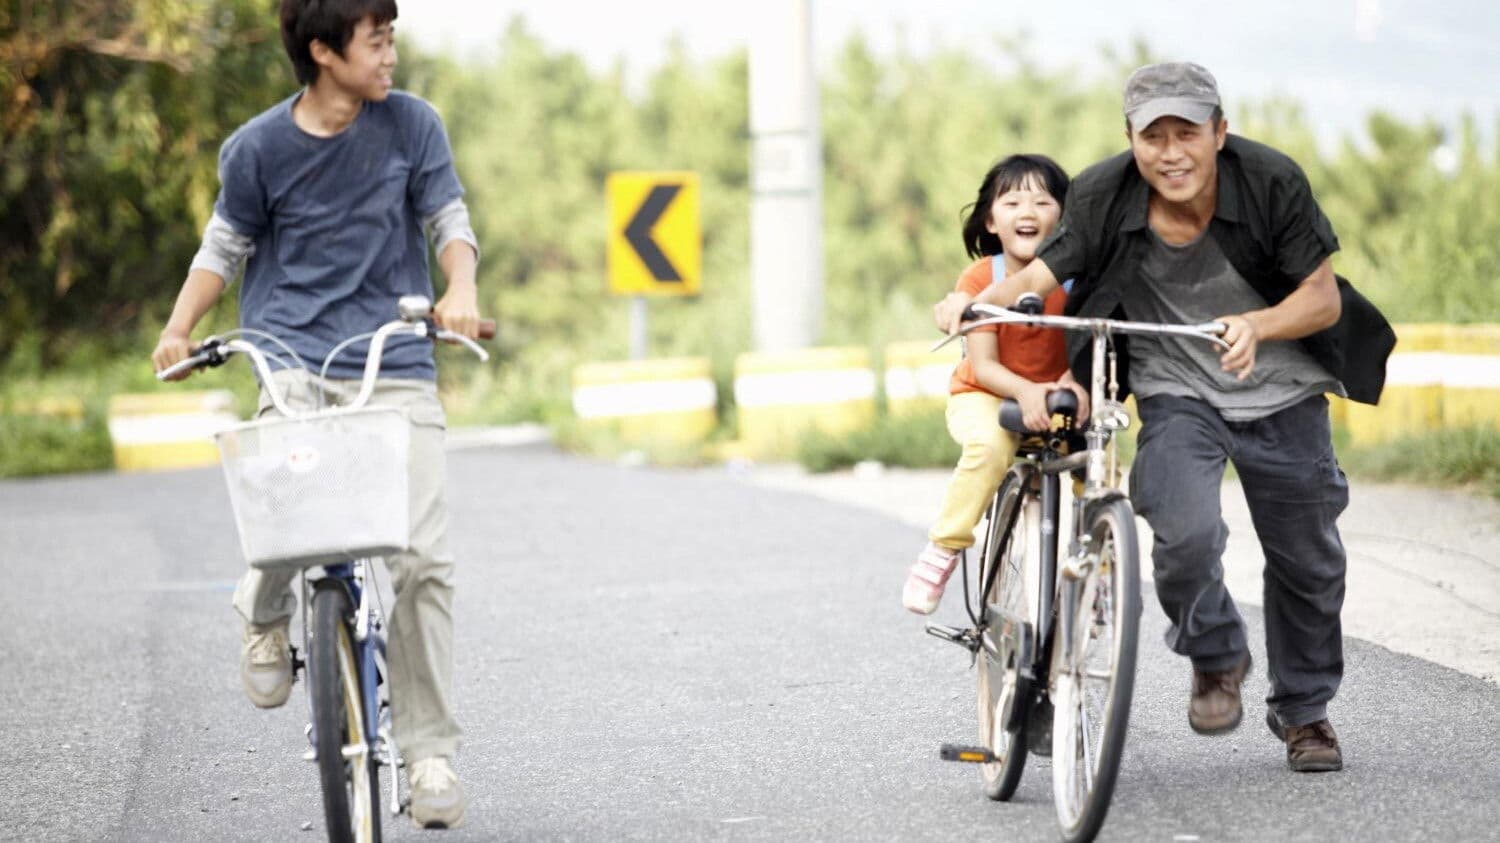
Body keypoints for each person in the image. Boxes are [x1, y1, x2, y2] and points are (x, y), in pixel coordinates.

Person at [933, 62, 1394, 773]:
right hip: (1176, 385)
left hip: (1281, 384)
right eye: (1154, 137)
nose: (1171, 153)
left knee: (1308, 559)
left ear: (1220, 131)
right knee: (1181, 531)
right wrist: (973, 303)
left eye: (1188, 133)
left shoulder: (1271, 181)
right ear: (1131, 139)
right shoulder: (1102, 191)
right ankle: (1215, 654)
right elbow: (1041, 274)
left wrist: (1259, 325)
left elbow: (1322, 299)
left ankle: (1305, 712)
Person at [151, 0, 477, 826]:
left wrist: (461, 290)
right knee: (283, 512)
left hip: (393, 358)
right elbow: (223, 247)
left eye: (391, 37)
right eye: (378, 40)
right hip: (291, 357)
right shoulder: (258, 149)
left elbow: (447, 218)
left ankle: (429, 750)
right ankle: (262, 612)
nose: (391, 54)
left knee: (423, 561)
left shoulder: (412, 126)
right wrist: (180, 328)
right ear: (326, 52)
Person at [902, 154, 1089, 614]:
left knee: (1099, 461)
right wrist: (1024, 391)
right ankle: (944, 547)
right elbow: (983, 366)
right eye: (1012, 202)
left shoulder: (1078, 280)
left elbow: (1089, 342)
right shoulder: (983, 278)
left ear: (1064, 218)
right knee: (989, 447)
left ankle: (1099, 564)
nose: (1028, 212)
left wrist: (1071, 381)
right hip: (987, 394)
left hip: (1058, 396)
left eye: (1043, 202)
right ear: (990, 219)